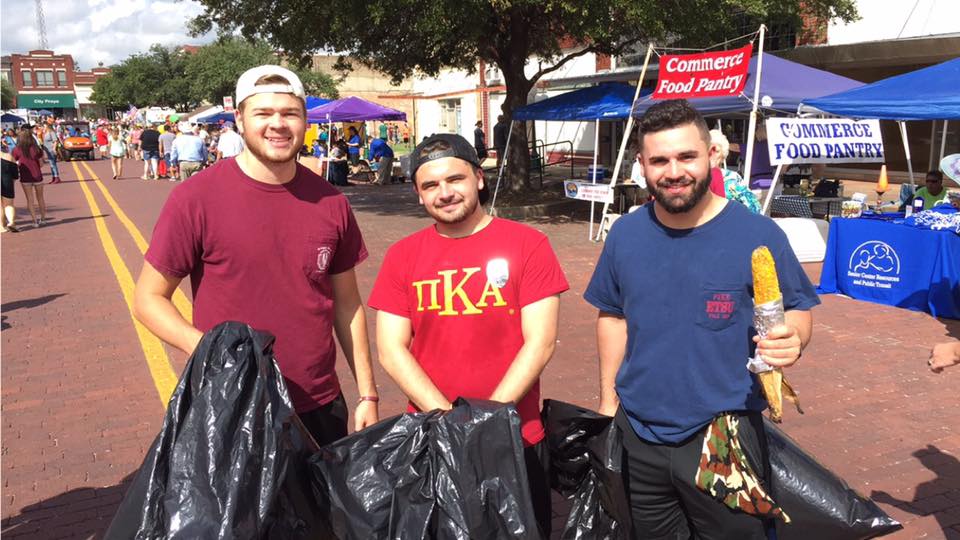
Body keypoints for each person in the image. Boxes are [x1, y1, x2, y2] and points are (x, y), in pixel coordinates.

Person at [584, 99, 818, 539]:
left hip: (723, 437)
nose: (673, 171)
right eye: (659, 160)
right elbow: (612, 317)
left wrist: (795, 340)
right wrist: (607, 403)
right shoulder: (625, 234)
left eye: (686, 156)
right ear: (641, 165)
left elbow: (797, 309)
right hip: (638, 429)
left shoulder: (757, 234)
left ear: (712, 155)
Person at [134, 65, 379, 446]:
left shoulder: (331, 202)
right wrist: (213, 352)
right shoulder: (195, 199)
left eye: (290, 113)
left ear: (304, 121)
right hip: (233, 402)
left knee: (320, 507)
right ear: (240, 120)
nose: (278, 124)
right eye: (263, 113)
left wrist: (367, 393)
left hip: (318, 403)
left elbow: (347, 306)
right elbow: (148, 298)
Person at [369, 133, 568, 538]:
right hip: (433, 439)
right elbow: (391, 349)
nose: (445, 193)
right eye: (430, 185)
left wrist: (484, 423)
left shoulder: (528, 244)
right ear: (419, 194)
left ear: (478, 178)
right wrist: (449, 421)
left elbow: (540, 342)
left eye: (454, 179)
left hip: (515, 436)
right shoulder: (402, 256)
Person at [710, 129, 760, 213]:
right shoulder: (695, 177)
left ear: (723, 155)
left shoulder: (731, 178)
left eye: (716, 151)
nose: (712, 154)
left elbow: (754, 207)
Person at [12, 127, 47, 227]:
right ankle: (43, 219)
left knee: (30, 200)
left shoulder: (17, 150)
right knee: (40, 198)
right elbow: (41, 163)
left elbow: (14, 162)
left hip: (25, 177)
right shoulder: (36, 148)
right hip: (37, 176)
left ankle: (34, 221)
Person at [1, 140, 20, 232]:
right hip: (7, 181)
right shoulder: (8, 156)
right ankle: (11, 222)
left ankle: (1, 226)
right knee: (9, 205)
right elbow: (15, 174)